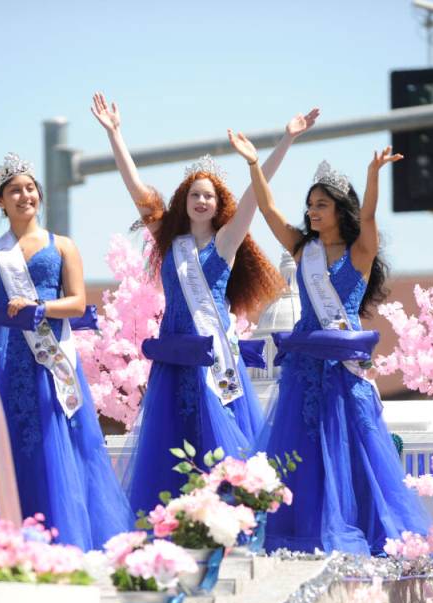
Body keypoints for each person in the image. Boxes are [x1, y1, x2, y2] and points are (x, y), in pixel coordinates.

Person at [91, 92, 315, 513]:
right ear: (184, 200)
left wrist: (284, 141)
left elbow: (255, 196)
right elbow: (138, 193)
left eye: (209, 195)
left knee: (222, 443)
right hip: (176, 359)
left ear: (218, 204)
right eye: (195, 194)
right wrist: (115, 135)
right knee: (174, 444)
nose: (201, 200)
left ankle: (227, 518)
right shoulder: (169, 242)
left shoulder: (226, 242)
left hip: (215, 362)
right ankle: (177, 521)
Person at [227, 130, 429, 554]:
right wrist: (251, 163)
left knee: (350, 444)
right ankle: (301, 531)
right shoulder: (305, 251)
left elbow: (370, 218)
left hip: (342, 366)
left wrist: (373, 175)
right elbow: (267, 208)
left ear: (340, 209)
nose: (312, 211)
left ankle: (362, 528)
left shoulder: (360, 251)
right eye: (310, 204)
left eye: (321, 204)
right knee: (302, 445)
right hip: (304, 366)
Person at [0, 149, 132, 550]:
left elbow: (79, 303)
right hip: (2, 356)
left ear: (39, 196)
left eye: (31, 189)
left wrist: (40, 308)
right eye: (14, 190)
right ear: (1, 201)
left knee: (52, 438)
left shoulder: (63, 245)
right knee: (2, 436)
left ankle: (59, 536)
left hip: (49, 357)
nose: (24, 196)